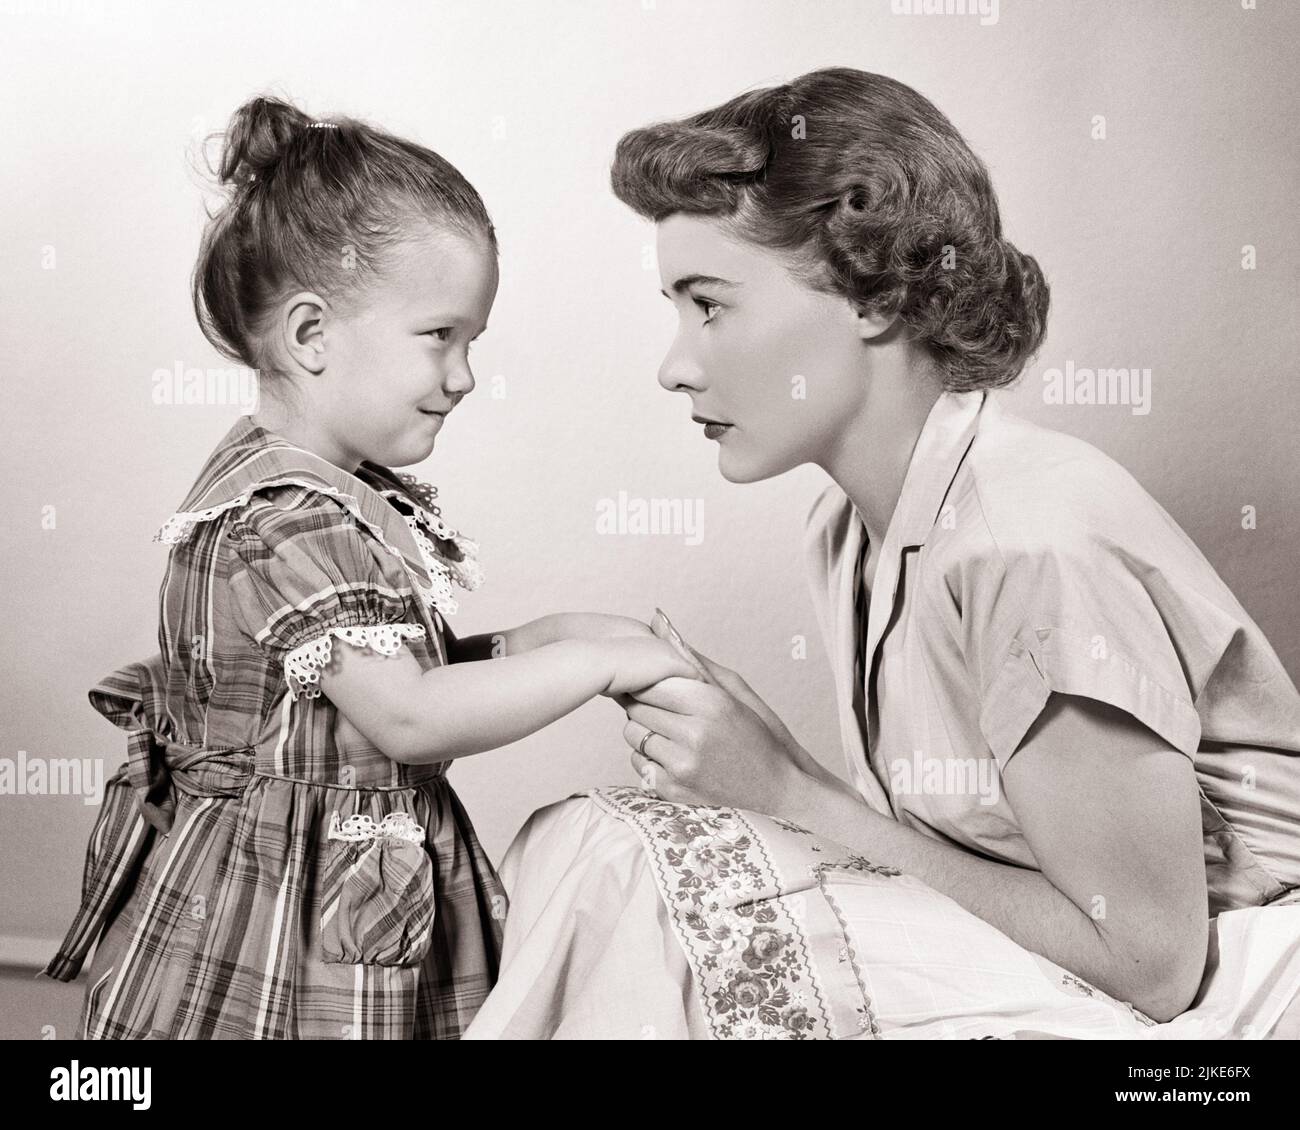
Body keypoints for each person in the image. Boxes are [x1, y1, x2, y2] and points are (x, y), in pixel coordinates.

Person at [464, 68, 1300, 1040]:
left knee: (623, 864)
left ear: (868, 297)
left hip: (1226, 997)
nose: (675, 363)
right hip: (1062, 965)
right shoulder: (846, 527)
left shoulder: (1027, 544)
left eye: (708, 304)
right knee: (597, 843)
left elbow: (1151, 962)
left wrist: (781, 787)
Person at [40, 95, 695, 1039]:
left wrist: (541, 638)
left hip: (356, 886)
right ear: (311, 337)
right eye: (441, 336)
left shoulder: (333, 495)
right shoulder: (289, 520)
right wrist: (594, 669)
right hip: (290, 916)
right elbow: (409, 717)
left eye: (473, 341)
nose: (464, 374)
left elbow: (372, 691)